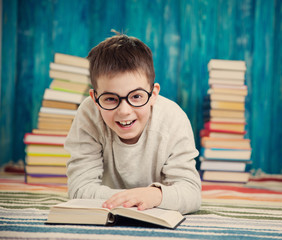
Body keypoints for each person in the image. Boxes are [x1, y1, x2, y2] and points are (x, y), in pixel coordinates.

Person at [64, 33, 201, 214]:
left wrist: (154, 195)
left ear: (153, 94)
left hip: (145, 206)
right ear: (95, 99)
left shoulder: (174, 119)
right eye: (111, 99)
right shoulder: (88, 115)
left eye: (136, 96)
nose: (124, 111)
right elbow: (79, 188)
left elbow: (191, 193)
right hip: (108, 210)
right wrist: (132, 198)